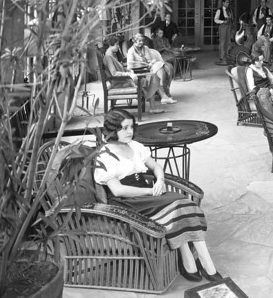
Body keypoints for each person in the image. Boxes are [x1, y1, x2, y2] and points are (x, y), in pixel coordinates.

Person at [94, 109, 221, 283]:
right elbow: (118, 190)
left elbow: (155, 167)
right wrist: (150, 191)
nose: (129, 132)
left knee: (184, 206)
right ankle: (203, 265)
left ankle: (195, 262)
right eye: (124, 128)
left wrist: (160, 180)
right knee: (181, 204)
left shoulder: (135, 146)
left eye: (131, 127)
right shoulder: (105, 155)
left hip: (149, 194)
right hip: (128, 202)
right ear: (112, 129)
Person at [126, 33, 176, 111]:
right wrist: (142, 63)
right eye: (139, 41)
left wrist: (151, 63)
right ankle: (162, 97)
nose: (141, 43)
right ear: (134, 41)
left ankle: (162, 98)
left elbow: (150, 60)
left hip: (148, 69)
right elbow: (130, 64)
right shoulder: (131, 51)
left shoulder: (145, 48)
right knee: (154, 77)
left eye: (142, 41)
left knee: (157, 68)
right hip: (138, 73)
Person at [214, 0, 233, 65]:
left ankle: (227, 56)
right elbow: (215, 19)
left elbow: (231, 18)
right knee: (222, 42)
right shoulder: (219, 10)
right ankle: (222, 58)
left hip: (229, 26)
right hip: (223, 27)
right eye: (226, 2)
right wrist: (222, 21)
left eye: (228, 2)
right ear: (223, 3)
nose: (228, 4)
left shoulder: (229, 10)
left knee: (228, 42)